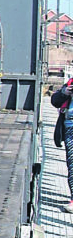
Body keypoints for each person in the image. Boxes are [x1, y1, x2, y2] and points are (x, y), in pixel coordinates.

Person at [51, 79, 73, 213]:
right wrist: (65, 92)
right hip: (70, 128)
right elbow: (55, 101)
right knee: (72, 164)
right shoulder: (70, 84)